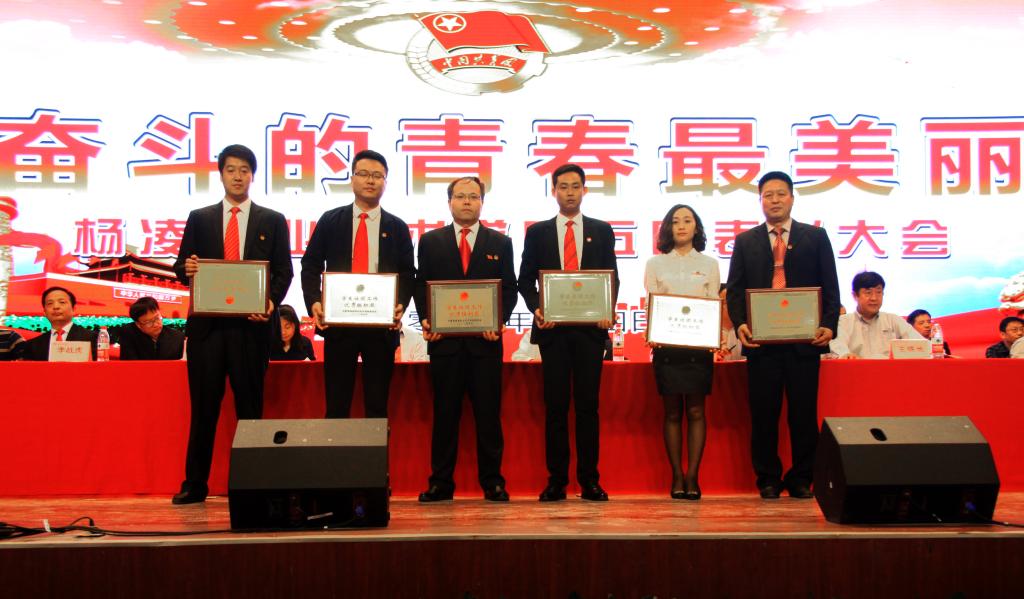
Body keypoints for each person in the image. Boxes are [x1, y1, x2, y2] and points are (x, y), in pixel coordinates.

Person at [171, 144, 293, 505]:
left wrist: (270, 302)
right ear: (221, 174)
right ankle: (195, 484)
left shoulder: (272, 220)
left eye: (244, 170)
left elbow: (283, 271)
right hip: (207, 330)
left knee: (250, 410)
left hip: (251, 330)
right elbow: (182, 266)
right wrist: (186, 269)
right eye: (231, 169)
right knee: (204, 409)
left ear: (252, 175)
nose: (238, 176)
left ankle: (252, 484)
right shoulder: (200, 218)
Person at [725, 171, 840, 500]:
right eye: (768, 195)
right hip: (761, 343)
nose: (774, 200)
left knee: (803, 414)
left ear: (792, 197)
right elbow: (735, 291)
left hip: (804, 342)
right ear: (760, 200)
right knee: (764, 415)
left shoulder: (815, 237)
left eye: (780, 194)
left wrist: (829, 324)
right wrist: (740, 323)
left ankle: (802, 477)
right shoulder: (746, 241)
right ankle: (768, 478)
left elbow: (830, 286)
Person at [518, 163, 619, 502]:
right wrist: (538, 308)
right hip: (553, 333)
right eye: (563, 186)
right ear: (554, 191)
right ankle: (556, 481)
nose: (570, 192)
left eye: (576, 186)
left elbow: (612, 276)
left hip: (590, 333)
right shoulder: (538, 232)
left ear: (585, 190)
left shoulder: (601, 230)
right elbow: (525, 280)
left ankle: (590, 481)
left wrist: (607, 310)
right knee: (556, 408)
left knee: (588, 407)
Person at [414, 176, 518, 503]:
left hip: (485, 344)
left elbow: (509, 288)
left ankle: (493, 482)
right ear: (449, 202)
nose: (467, 202)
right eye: (460, 196)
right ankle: (440, 483)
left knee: (488, 416)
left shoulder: (500, 242)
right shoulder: (430, 241)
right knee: (445, 415)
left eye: (473, 196)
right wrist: (427, 319)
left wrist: (497, 321)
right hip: (445, 345)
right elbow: (421, 285)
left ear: (482, 202)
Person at [300, 149, 415, 418]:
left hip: (381, 328)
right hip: (340, 326)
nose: (370, 180)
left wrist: (400, 304)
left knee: (377, 405)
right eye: (363, 174)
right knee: (337, 404)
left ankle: (375, 448)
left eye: (377, 175)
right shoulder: (331, 220)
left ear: (385, 182)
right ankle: (334, 448)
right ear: (352, 179)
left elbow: (408, 273)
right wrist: (315, 302)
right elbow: (310, 265)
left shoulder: (397, 227)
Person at [644, 204, 720, 500]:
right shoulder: (655, 264)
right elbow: (652, 303)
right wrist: (653, 332)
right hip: (667, 347)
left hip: (699, 347)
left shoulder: (710, 264)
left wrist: (713, 335)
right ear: (667, 228)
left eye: (688, 220)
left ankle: (693, 476)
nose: (682, 226)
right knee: (673, 412)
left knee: (697, 410)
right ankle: (676, 474)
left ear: (696, 227)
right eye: (675, 221)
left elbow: (713, 302)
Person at [829, 272, 923, 359]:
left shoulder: (893, 320)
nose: (874, 298)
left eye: (878, 292)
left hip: (889, 370)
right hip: (856, 369)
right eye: (868, 293)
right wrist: (846, 355)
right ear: (855, 295)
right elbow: (838, 346)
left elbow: (921, 344)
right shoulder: (843, 322)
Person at [23, 286, 98, 361]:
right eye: (50, 303)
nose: (56, 307)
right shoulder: (33, 345)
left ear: (73, 309)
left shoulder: (93, 338)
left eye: (62, 302)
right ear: (44, 312)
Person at [118, 296, 185, 360]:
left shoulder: (177, 338)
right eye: (149, 322)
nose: (156, 324)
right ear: (138, 324)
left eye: (157, 318)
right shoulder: (129, 332)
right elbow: (129, 363)